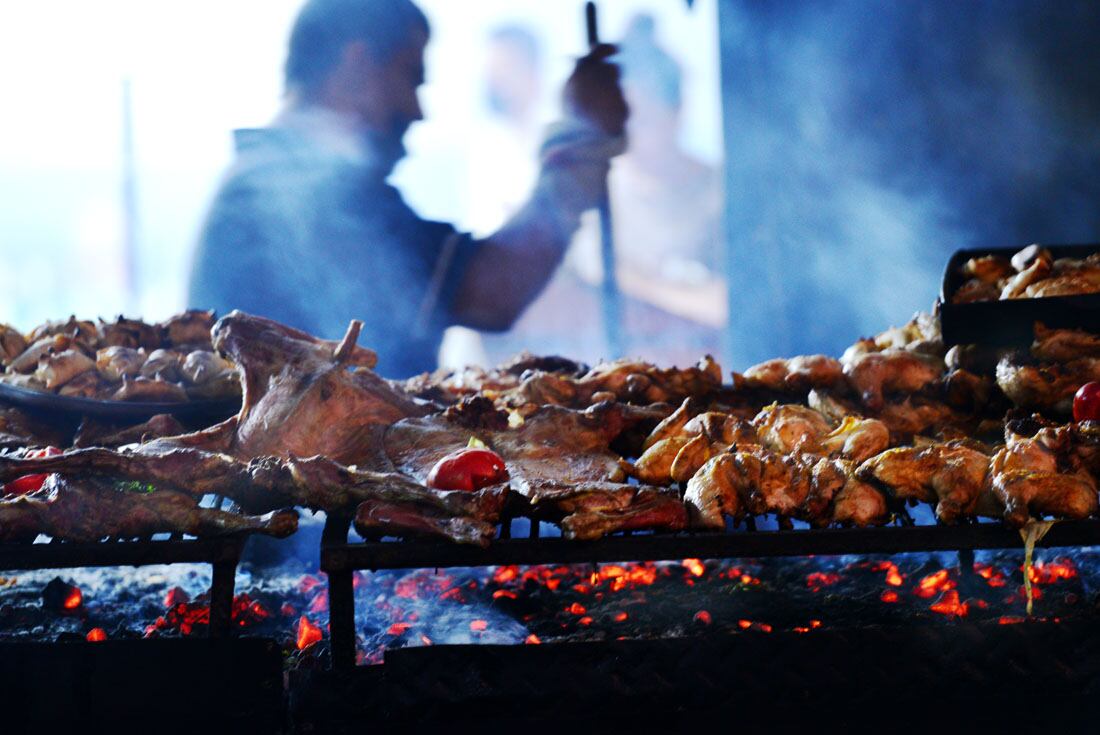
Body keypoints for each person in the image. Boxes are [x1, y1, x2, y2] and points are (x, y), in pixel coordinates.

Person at [188, 0, 627, 378]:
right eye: (411, 78)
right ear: (358, 64)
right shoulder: (297, 189)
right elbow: (491, 291)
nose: (417, 110)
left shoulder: (272, 173)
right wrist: (580, 140)